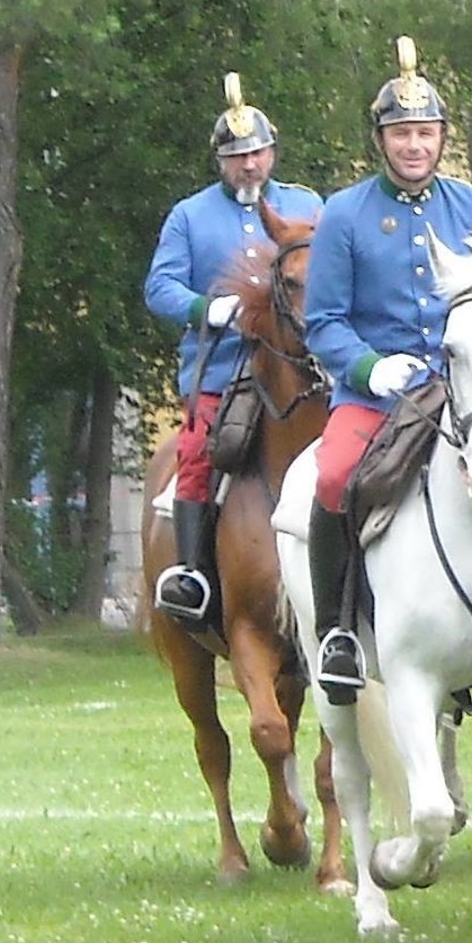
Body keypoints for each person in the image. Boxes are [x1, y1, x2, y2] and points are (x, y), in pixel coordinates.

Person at [303, 38, 472, 697]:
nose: (413, 145)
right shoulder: (343, 214)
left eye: (424, 132)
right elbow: (323, 322)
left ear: (443, 137)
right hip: (377, 397)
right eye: (401, 133)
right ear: (381, 139)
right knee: (335, 475)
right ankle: (339, 630)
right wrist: (368, 367)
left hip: (466, 389)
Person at [143, 74, 323, 628]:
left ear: (273, 151)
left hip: (304, 369)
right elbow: (159, 287)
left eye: (258, 152)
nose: (249, 165)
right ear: (220, 161)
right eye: (237, 156)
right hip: (222, 369)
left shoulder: (308, 206)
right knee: (198, 452)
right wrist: (206, 309)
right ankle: (193, 574)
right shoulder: (190, 216)